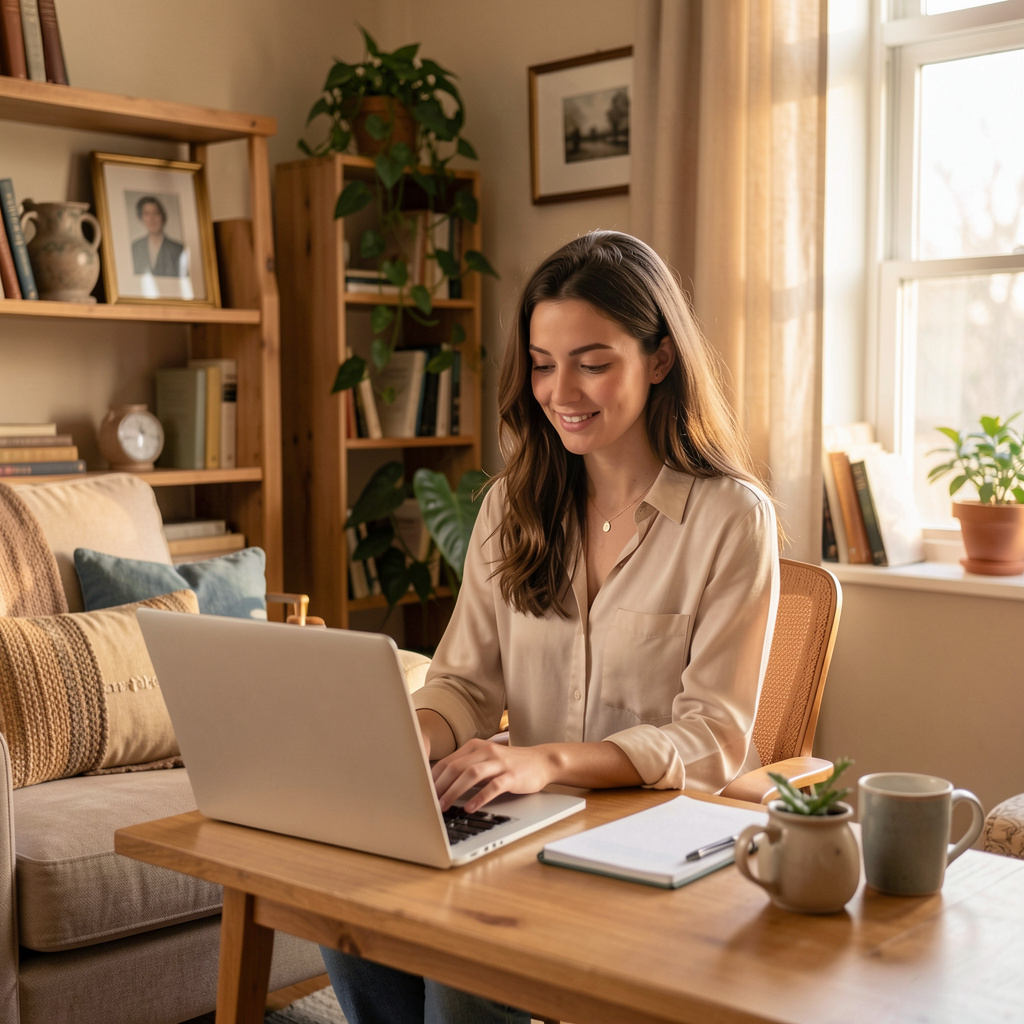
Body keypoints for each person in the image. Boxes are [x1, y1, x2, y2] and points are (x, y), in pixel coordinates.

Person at [321, 230, 780, 1024]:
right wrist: (405, 740)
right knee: (345, 898)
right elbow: (464, 682)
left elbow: (712, 738)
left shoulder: (731, 519)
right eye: (542, 363)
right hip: (518, 828)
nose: (561, 389)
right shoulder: (513, 504)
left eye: (593, 362)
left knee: (465, 959)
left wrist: (549, 761)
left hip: (649, 842)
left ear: (660, 359)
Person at [131, 195, 186, 277]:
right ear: (141, 217)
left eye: (156, 213)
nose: (151, 219)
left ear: (162, 216)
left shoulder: (178, 249)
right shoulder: (135, 247)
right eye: (147, 214)